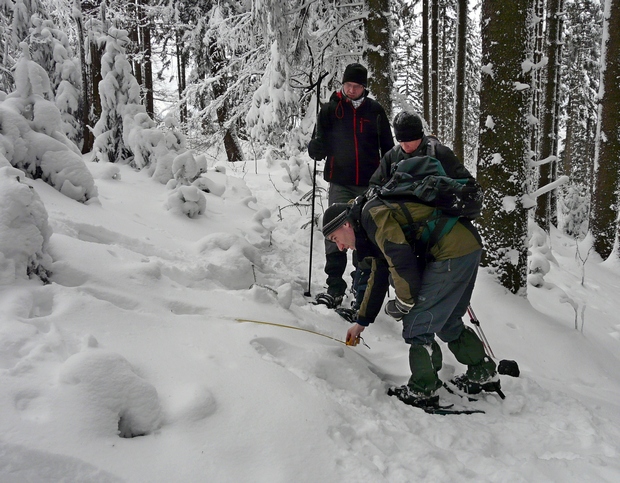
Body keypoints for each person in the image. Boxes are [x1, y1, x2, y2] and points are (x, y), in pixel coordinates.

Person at [320, 111, 500, 408]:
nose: (339, 247)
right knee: (448, 321)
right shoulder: (367, 222)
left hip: (452, 252)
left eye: (335, 239)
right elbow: (380, 271)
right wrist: (362, 322)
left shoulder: (372, 214)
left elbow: (400, 260)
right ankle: (482, 372)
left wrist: (404, 303)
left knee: (418, 323)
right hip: (464, 247)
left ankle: (423, 388)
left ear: (345, 225)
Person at [307, 63, 394, 310]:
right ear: (343, 84)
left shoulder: (375, 111)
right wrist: (315, 149)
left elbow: (387, 147)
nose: (351, 89)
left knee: (363, 234)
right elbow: (319, 144)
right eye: (348, 85)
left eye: (356, 86)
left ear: (364, 87)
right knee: (335, 231)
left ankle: (361, 290)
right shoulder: (330, 110)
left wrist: (388, 175)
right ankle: (334, 286)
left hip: (369, 185)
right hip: (340, 180)